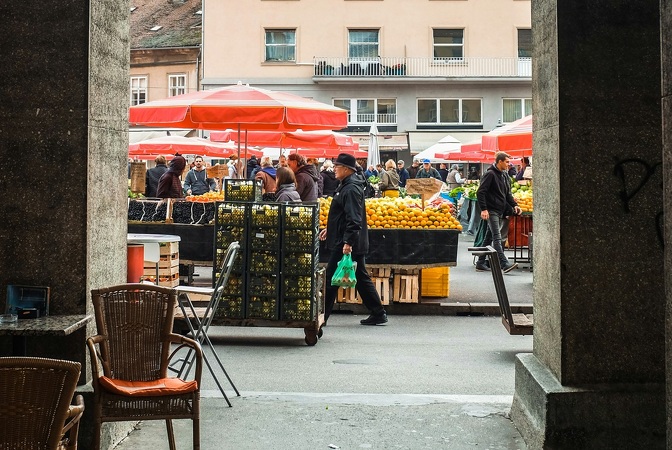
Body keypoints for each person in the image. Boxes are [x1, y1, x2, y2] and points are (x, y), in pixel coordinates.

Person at [319, 153, 388, 326]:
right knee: (360, 276)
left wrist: (348, 242)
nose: (334, 169)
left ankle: (321, 317)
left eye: (337, 166)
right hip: (347, 238)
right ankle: (378, 312)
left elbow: (354, 218)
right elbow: (344, 214)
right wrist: (331, 228)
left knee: (331, 278)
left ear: (347, 169)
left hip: (347, 242)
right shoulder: (346, 185)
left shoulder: (350, 188)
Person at [475, 152, 522, 273]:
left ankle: (480, 262)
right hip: (492, 210)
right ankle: (504, 263)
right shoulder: (490, 174)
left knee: (488, 237)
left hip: (499, 210)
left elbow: (507, 194)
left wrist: (515, 205)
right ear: (499, 161)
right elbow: (481, 192)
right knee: (497, 236)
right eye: (506, 162)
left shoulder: (505, 175)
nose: (508, 164)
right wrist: (484, 209)